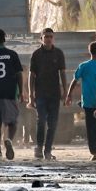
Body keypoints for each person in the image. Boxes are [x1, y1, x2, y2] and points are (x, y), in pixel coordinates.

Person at [27, 28, 68, 160]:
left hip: (54, 94)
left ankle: (48, 150)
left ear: (53, 38)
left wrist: (65, 92)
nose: (48, 39)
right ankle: (39, 147)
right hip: (40, 94)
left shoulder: (58, 53)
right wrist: (30, 95)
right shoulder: (36, 54)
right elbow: (31, 75)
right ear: (41, 39)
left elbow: (62, 73)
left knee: (53, 123)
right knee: (41, 121)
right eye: (46, 37)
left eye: (50, 36)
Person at [0, 28, 24, 160]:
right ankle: (8, 140)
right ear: (4, 39)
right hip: (10, 92)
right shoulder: (12, 54)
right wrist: (21, 91)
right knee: (12, 122)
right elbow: (19, 74)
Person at [67, 41, 96, 160]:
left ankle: (93, 151)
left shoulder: (83, 66)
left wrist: (69, 94)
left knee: (90, 126)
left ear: (89, 51)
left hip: (88, 101)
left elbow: (75, 80)